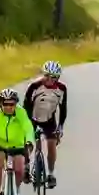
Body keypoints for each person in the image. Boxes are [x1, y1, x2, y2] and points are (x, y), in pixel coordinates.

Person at [0, 87, 35, 195]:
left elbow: (28, 128)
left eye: (11, 104)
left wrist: (29, 142)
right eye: (5, 104)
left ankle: (16, 191)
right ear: (1, 104)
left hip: (17, 144)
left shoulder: (21, 113)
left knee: (19, 169)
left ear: (16, 104)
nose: (8, 107)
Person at [23, 60, 69, 188]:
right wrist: (26, 125)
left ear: (57, 78)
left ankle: (51, 174)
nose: (49, 79)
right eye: (47, 75)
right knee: (28, 143)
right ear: (43, 74)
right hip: (32, 118)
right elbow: (26, 105)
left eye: (53, 77)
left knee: (51, 144)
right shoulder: (34, 86)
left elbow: (63, 109)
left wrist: (60, 127)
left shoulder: (62, 89)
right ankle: (26, 167)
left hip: (49, 120)